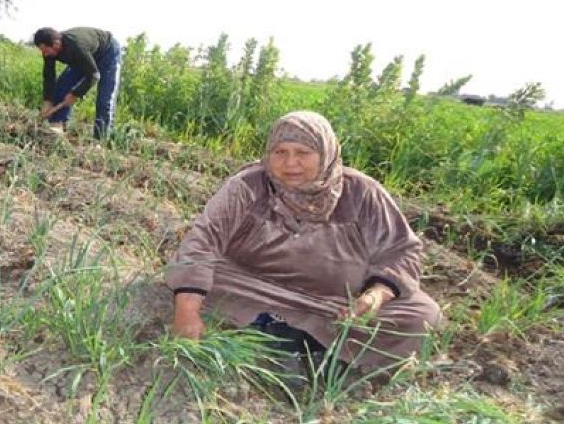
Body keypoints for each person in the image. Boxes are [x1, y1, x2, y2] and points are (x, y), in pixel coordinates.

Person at [166, 110, 441, 370]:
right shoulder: (247, 186)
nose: (290, 164)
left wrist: (374, 296)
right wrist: (187, 311)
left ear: (326, 154)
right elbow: (202, 241)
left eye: (303, 153)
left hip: (336, 303)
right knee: (192, 278)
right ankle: (288, 339)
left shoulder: (362, 193)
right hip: (255, 287)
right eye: (280, 152)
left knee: (422, 313)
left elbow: (401, 250)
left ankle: (305, 345)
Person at [33, 26, 122, 139]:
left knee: (104, 100)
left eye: (45, 50)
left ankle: (100, 140)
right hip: (83, 58)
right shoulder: (49, 52)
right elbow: (49, 76)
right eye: (42, 51)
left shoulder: (76, 46)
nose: (44, 54)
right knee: (62, 86)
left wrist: (76, 94)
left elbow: (94, 75)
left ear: (56, 44)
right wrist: (48, 101)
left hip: (108, 53)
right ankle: (57, 126)